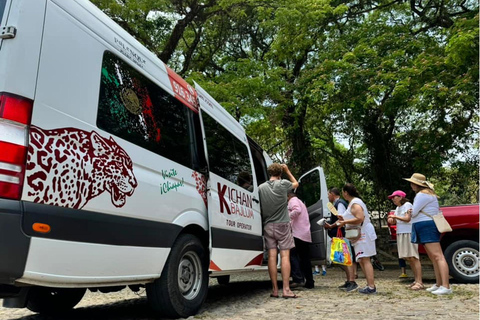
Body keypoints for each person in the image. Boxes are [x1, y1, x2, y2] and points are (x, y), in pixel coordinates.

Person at [404, 173, 452, 295]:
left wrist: (410, 211)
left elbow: (414, 213)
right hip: (425, 224)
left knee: (437, 256)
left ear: (416, 184)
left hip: (426, 225)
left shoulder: (421, 195)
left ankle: (445, 286)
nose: (411, 185)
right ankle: (439, 284)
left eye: (412, 183)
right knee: (433, 257)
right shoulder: (428, 194)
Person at [259, 163, 299, 299]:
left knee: (271, 257)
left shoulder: (261, 188)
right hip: (282, 224)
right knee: (285, 256)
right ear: (280, 173)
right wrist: (287, 170)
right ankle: (286, 289)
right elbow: (296, 183)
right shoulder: (283, 184)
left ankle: (275, 289)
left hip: (268, 225)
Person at [337, 183, 377, 294]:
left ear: (345, 192)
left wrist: (345, 221)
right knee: (361, 259)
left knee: (365, 259)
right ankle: (369, 284)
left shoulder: (355, 203)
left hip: (363, 233)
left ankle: (371, 286)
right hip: (358, 234)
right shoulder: (352, 203)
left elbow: (360, 218)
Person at [387, 190, 423, 290]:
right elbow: (397, 220)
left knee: (413, 256)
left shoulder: (407, 205)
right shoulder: (398, 208)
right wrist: (392, 219)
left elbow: (407, 219)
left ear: (400, 197)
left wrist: (394, 216)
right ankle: (416, 280)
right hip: (401, 232)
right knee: (408, 257)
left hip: (408, 232)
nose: (393, 199)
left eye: (395, 197)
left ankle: (419, 281)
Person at [324, 187, 358, 291]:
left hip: (342, 234)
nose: (327, 196)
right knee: (343, 259)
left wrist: (331, 226)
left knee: (347, 258)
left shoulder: (340, 204)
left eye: (328, 194)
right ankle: (349, 280)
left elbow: (342, 219)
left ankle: (352, 281)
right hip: (340, 234)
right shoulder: (337, 204)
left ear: (332, 194)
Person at [288, 191, 314, 289]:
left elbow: (297, 210)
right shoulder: (301, 202)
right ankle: (310, 282)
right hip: (305, 233)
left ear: (288, 196)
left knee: (293, 255)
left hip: (297, 233)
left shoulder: (293, 200)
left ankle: (298, 279)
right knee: (305, 258)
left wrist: (287, 217)